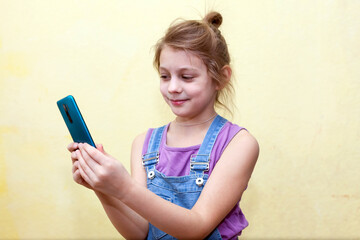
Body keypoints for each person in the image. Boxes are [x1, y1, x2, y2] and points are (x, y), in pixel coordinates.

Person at [67, 11, 259, 239]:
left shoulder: (238, 144)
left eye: (186, 77)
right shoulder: (143, 144)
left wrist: (123, 187)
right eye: (165, 76)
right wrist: (104, 189)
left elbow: (197, 227)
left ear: (221, 77)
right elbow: (140, 233)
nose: (173, 88)